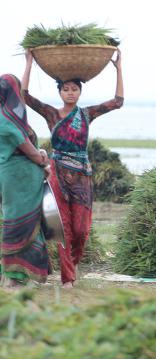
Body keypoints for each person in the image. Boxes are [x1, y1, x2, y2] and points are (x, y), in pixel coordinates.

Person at [22, 49, 123, 288]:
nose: (70, 93)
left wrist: (119, 68)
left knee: (81, 229)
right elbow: (25, 95)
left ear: (80, 92)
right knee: (63, 227)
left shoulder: (86, 114)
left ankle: (73, 264)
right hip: (57, 174)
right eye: (65, 89)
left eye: (74, 89)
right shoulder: (51, 114)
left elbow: (118, 102)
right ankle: (68, 278)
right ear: (59, 92)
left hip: (82, 177)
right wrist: (29, 63)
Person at [0, 74, 51, 288]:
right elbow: (29, 151)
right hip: (17, 181)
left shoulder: (11, 119)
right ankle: (13, 277)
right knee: (18, 224)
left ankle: (14, 275)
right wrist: (42, 159)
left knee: (25, 223)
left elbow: (30, 149)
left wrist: (40, 156)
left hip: (22, 181)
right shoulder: (7, 120)